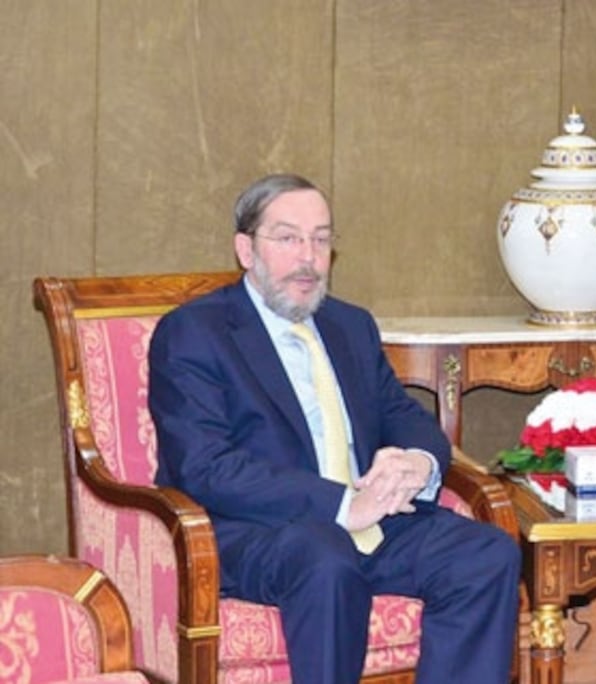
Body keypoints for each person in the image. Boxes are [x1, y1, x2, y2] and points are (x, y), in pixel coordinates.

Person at [148, 173, 520, 684]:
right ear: (245, 249)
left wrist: (419, 461)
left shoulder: (350, 326)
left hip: (374, 526)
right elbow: (205, 467)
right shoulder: (195, 332)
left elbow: (403, 414)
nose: (308, 257)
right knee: (327, 560)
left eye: (321, 239)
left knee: (486, 553)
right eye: (288, 238)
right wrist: (343, 505)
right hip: (261, 533)